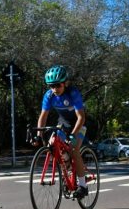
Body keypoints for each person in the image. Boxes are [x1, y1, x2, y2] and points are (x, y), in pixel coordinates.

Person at [32, 65, 89, 198]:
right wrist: (38, 135)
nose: (54, 89)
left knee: (74, 151)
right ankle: (68, 171)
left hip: (78, 124)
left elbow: (81, 117)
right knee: (52, 144)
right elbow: (43, 116)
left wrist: (73, 135)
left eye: (58, 85)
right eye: (51, 86)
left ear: (65, 83)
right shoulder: (49, 95)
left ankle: (83, 186)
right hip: (63, 124)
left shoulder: (73, 93)